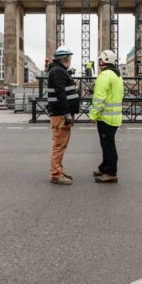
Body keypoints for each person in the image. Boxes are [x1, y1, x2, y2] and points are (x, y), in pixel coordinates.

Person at [89, 50, 124, 183]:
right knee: (107, 144)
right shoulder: (117, 75)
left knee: (108, 146)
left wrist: (93, 114)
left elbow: (99, 98)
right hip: (115, 117)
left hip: (106, 117)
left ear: (103, 61)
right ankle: (104, 167)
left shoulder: (104, 76)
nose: (98, 63)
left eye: (99, 60)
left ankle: (111, 172)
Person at [46, 46, 80, 185]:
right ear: (65, 59)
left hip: (61, 114)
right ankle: (56, 173)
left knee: (60, 144)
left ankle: (58, 169)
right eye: (70, 58)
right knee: (59, 144)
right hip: (60, 114)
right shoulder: (58, 72)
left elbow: (64, 90)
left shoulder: (59, 71)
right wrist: (67, 113)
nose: (71, 60)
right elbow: (60, 93)